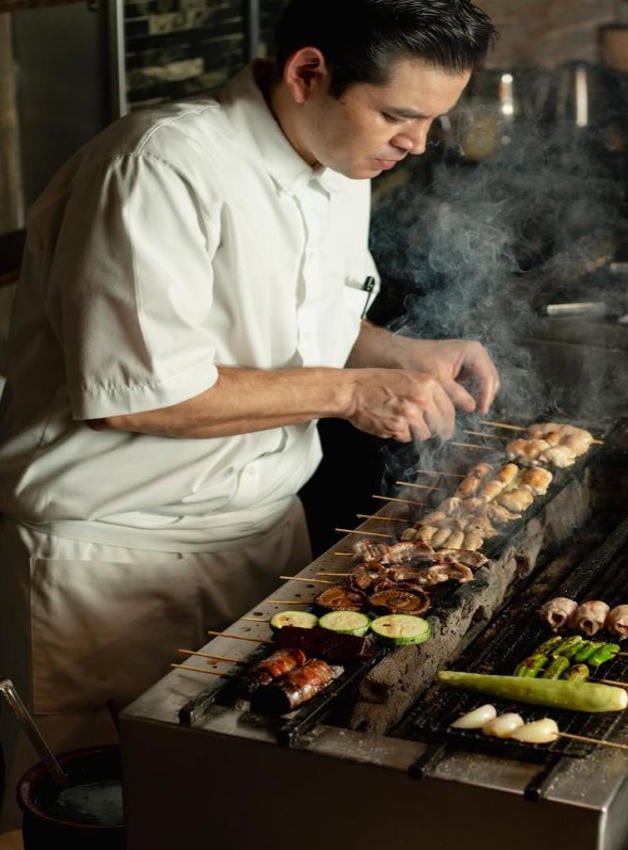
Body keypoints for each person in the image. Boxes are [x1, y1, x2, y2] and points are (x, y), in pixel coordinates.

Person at [0, 0, 499, 831]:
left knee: (256, 807)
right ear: (308, 74)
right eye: (400, 116)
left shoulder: (343, 162)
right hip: (120, 555)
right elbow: (146, 392)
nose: (418, 144)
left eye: (434, 120)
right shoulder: (162, 164)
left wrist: (393, 354)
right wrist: (351, 394)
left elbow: (298, 329)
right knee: (121, 817)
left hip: (265, 539)